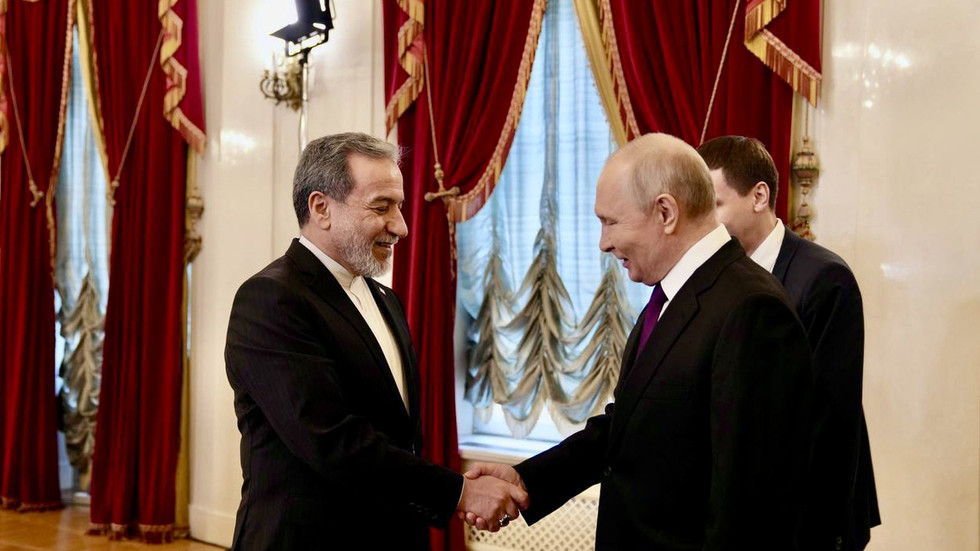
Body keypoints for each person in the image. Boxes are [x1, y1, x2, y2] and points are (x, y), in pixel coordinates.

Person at [466, 133, 815, 549]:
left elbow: (749, 505)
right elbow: (629, 426)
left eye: (610, 222)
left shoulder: (752, 308)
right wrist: (526, 480)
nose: (604, 243)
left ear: (666, 212)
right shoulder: (674, 294)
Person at [224, 133, 527, 550]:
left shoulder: (385, 298)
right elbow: (332, 441)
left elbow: (398, 435)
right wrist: (459, 492)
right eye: (381, 207)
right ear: (321, 208)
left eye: (399, 206)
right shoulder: (270, 299)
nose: (401, 226)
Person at [697, 135, 880, 551]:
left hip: (810, 518)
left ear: (759, 196)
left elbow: (830, 423)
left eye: (716, 205)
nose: (706, 222)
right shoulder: (716, 274)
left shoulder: (824, 278)